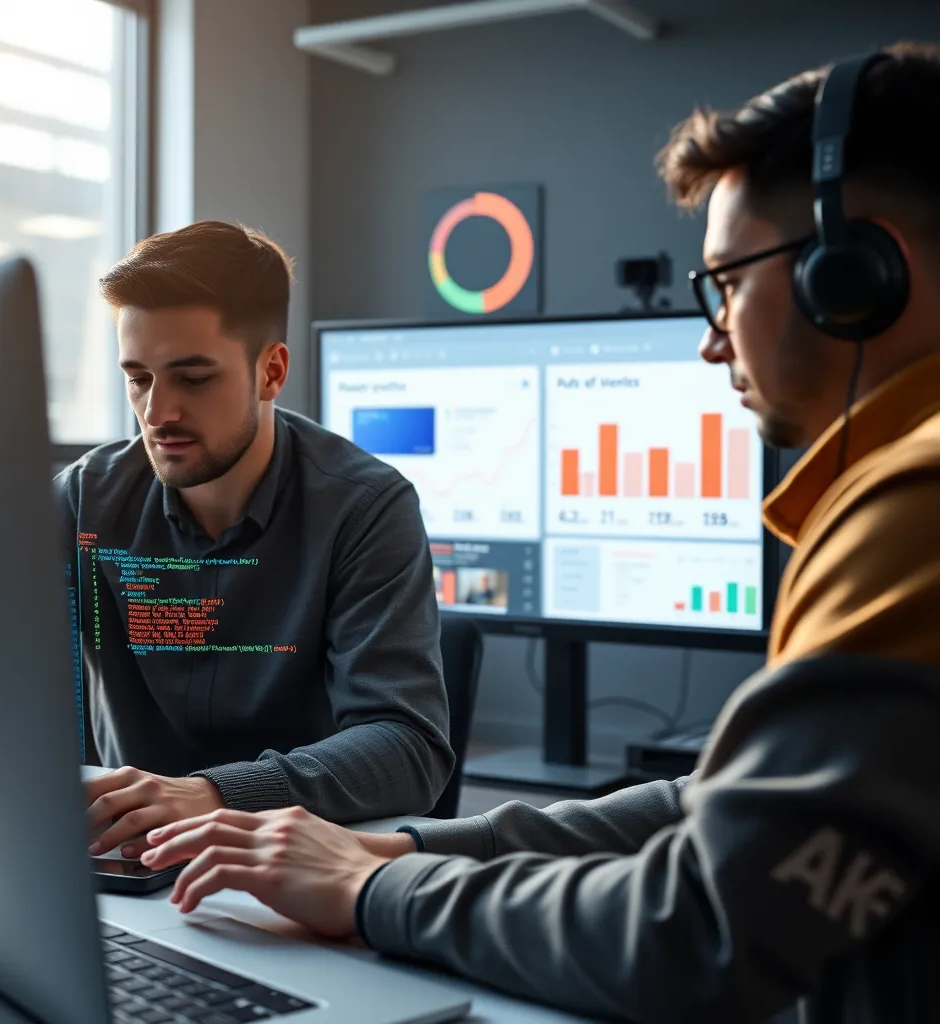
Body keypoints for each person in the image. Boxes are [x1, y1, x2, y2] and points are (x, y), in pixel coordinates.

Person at [140, 44, 940, 1023]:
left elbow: (696, 931)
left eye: (726, 280)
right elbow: (717, 807)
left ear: (856, 273)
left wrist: (368, 891)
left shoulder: (916, 498)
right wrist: (411, 850)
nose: (711, 335)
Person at [56, 220, 454, 859]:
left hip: (296, 871)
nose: (158, 413)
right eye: (139, 378)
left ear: (271, 371)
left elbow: (407, 749)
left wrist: (212, 794)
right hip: (129, 867)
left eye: (193, 378)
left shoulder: (366, 508)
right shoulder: (82, 502)